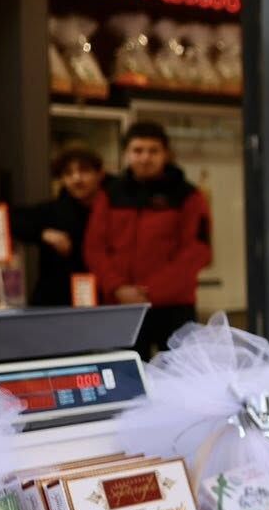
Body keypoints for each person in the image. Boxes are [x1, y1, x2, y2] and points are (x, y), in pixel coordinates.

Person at [84, 121, 212, 357]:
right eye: (138, 150)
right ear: (126, 154)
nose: (145, 158)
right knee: (126, 381)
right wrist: (117, 287)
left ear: (166, 154)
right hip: (122, 307)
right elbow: (94, 248)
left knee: (180, 380)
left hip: (174, 307)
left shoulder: (188, 196)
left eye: (153, 151)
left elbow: (197, 251)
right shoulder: (109, 195)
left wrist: (150, 291)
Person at [10, 144, 104, 306]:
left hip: (103, 300)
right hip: (55, 303)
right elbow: (8, 218)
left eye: (84, 171)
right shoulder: (53, 210)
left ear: (99, 174)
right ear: (62, 179)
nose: (77, 178)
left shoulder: (113, 210)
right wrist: (42, 233)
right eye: (68, 173)